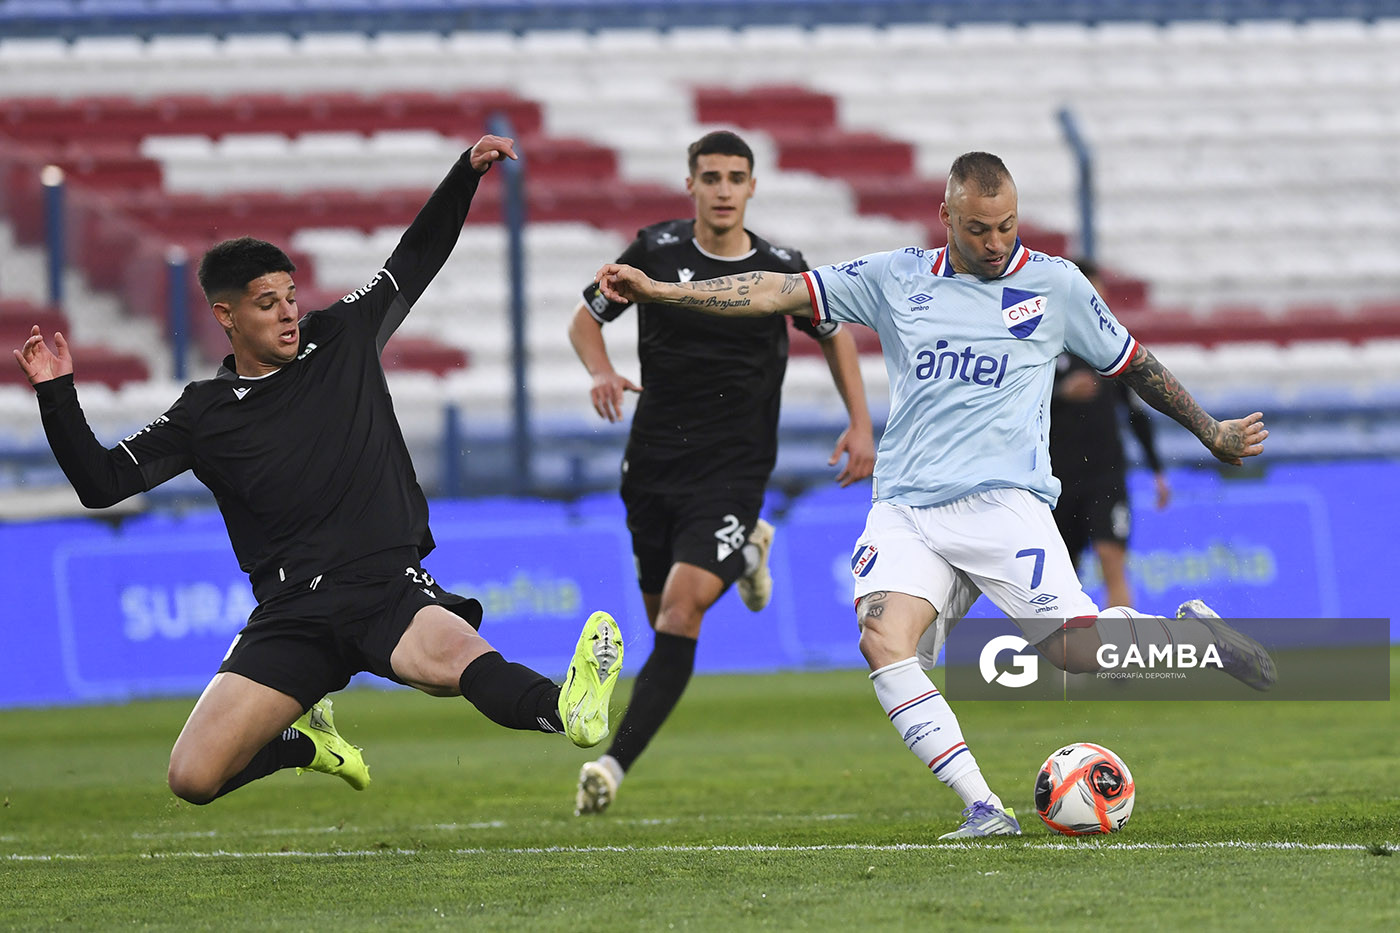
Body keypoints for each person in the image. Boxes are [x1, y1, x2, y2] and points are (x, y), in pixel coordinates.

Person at [594, 151, 1274, 839]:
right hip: (908, 511)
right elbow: (776, 291)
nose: (996, 242)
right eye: (979, 228)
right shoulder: (898, 277)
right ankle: (983, 806)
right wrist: (664, 293)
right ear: (945, 215)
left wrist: (1211, 430)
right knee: (882, 639)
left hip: (1004, 505)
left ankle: (1195, 640)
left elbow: (1133, 362)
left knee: (1079, 654)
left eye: (1008, 225)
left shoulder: (1056, 285)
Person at [12, 135, 623, 806]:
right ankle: (307, 744)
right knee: (191, 778)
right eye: (267, 301)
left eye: (291, 294)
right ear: (226, 315)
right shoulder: (203, 415)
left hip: (382, 585)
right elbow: (100, 485)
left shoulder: (343, 337)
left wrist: (463, 175)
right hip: (292, 613)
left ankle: (569, 709)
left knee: (462, 663)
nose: (288, 311)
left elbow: (413, 259)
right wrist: (56, 393)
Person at [566, 130, 876, 816]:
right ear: (692, 185)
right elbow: (584, 320)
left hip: (732, 468)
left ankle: (613, 766)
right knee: (661, 621)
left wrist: (860, 422)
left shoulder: (779, 266)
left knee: (681, 612)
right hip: (651, 464)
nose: (725, 189)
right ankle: (747, 552)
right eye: (712, 177)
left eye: (737, 177)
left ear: (753, 186)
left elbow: (836, 335)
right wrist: (600, 369)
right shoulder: (654, 251)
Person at [1049, 257, 1171, 609]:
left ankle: (1120, 658)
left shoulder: (1111, 346)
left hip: (1106, 476)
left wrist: (1157, 469)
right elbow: (1019, 405)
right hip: (1058, 480)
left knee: (1112, 562)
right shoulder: (1045, 345)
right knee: (1064, 578)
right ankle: (1071, 660)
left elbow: (1135, 413)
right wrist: (1061, 392)